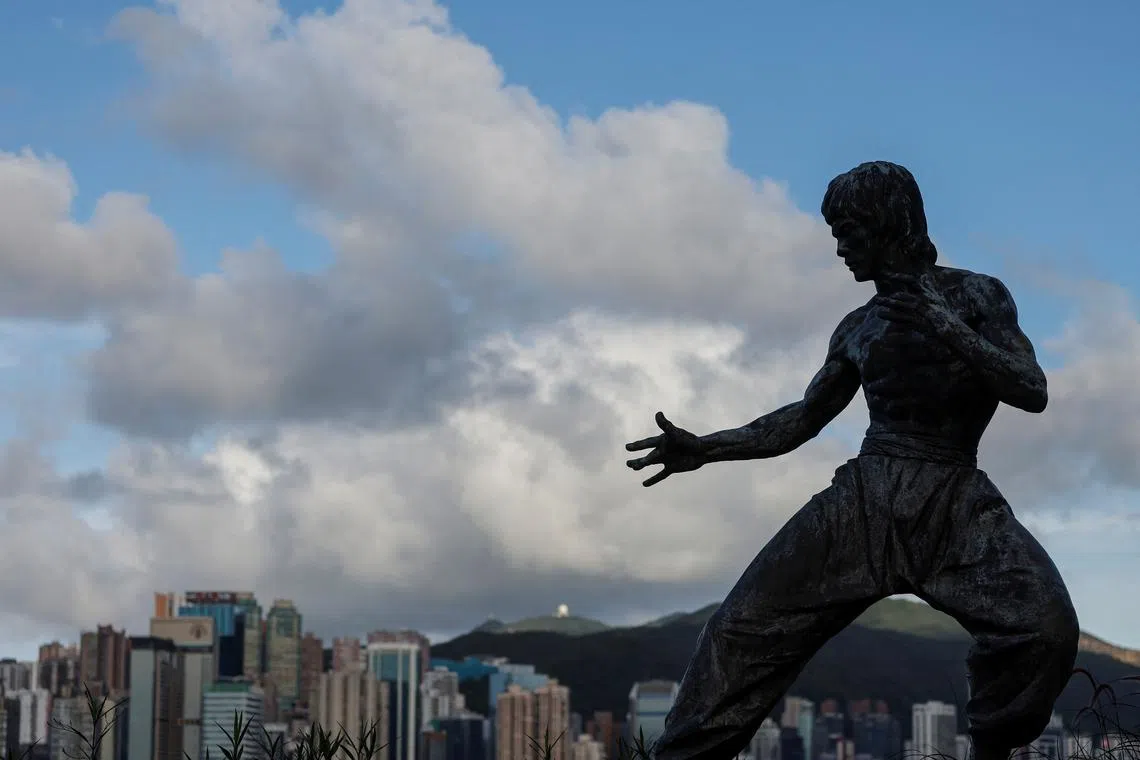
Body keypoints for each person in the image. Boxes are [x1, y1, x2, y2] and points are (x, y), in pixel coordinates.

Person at [625, 161, 1079, 760]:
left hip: (953, 498)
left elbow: (1031, 388)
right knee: (739, 631)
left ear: (889, 225)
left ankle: (991, 749)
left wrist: (943, 323)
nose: (839, 248)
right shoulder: (857, 328)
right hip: (863, 500)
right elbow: (800, 420)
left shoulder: (977, 295)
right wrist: (706, 448)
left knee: (1045, 628)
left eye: (848, 232)